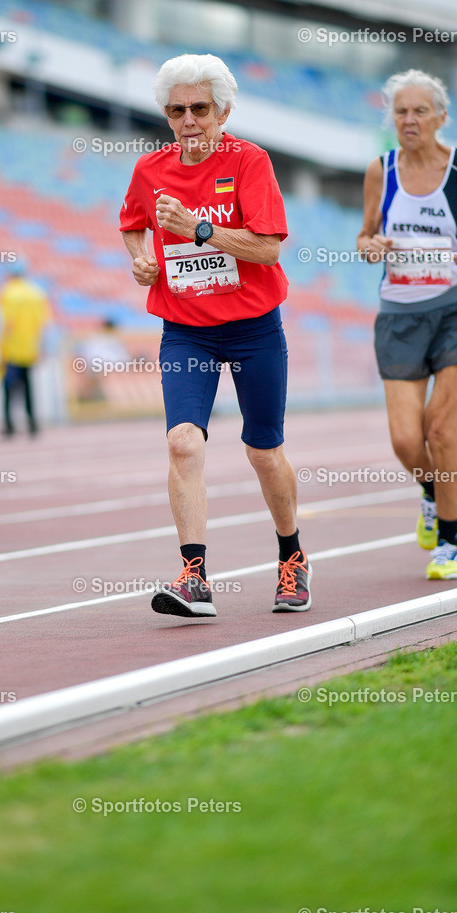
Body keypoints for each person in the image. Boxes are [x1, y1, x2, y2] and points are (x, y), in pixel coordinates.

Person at [120, 52, 311, 619]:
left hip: (253, 328)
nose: (188, 120)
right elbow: (132, 224)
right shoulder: (150, 170)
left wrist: (197, 229)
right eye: (176, 109)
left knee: (263, 450)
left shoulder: (250, 162)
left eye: (199, 108)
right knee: (182, 441)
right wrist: (142, 260)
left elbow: (269, 247)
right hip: (186, 332)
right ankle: (194, 575)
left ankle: (291, 557)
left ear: (222, 110)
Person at [357, 69, 457, 581]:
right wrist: (369, 244)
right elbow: (366, 234)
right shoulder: (381, 170)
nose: (410, 119)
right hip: (399, 315)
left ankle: (451, 542)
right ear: (391, 119)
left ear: (441, 117)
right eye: (401, 111)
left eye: (420, 111)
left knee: (441, 428)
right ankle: (431, 491)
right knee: (404, 439)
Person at [0, 261, 51, 436]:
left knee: (7, 388)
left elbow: (8, 323)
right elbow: (42, 324)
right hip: (30, 347)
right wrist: (42, 347)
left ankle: (9, 425)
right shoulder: (36, 293)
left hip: (12, 348)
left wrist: (1, 347)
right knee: (28, 387)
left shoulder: (8, 292)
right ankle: (32, 423)